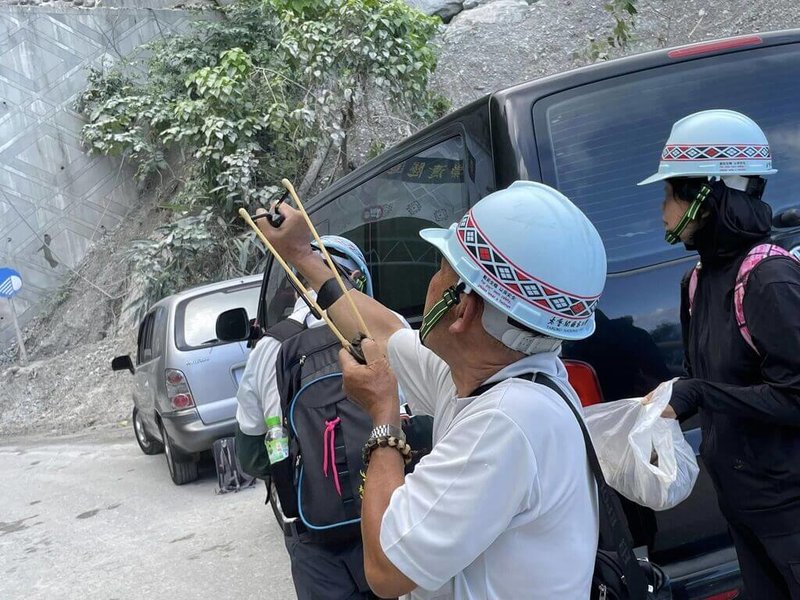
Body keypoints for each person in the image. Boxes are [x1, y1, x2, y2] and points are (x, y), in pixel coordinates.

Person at [256, 180, 607, 599]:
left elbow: (387, 570)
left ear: (462, 307)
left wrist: (383, 418)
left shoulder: (504, 422)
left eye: (441, 268)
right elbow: (384, 333)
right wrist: (303, 256)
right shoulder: (502, 377)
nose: (432, 280)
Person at [640, 109, 800, 599]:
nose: (663, 207)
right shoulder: (696, 281)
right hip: (743, 504)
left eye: (671, 192)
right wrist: (664, 406)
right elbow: (700, 380)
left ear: (706, 197)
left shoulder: (770, 280)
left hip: (788, 510)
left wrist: (700, 392)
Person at [235, 235, 380, 600]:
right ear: (358, 280)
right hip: (384, 514)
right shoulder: (379, 334)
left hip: (311, 529)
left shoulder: (271, 346)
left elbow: (252, 456)